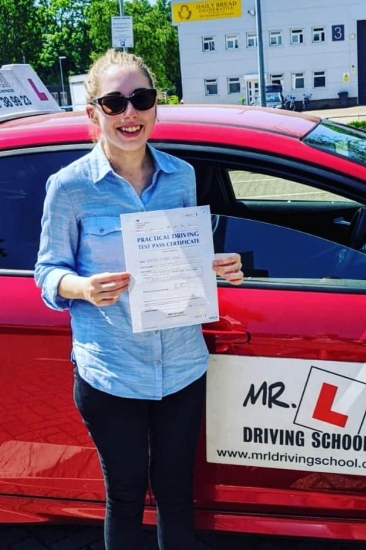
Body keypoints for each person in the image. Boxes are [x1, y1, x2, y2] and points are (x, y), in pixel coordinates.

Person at [34, 49, 243, 550]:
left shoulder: (182, 176)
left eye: (141, 99)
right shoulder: (69, 189)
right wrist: (82, 287)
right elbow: (46, 273)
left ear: (155, 106)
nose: (130, 114)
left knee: (176, 494)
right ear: (94, 113)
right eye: (114, 102)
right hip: (112, 372)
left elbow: (183, 259)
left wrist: (216, 268)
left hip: (182, 367)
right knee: (126, 496)